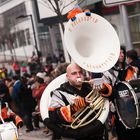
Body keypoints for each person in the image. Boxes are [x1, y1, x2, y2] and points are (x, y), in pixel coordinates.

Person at [46, 63, 112, 140]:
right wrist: (79, 104)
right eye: (74, 73)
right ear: (67, 77)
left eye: (80, 72)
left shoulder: (91, 87)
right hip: (75, 135)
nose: (78, 75)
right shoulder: (59, 93)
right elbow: (53, 116)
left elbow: (112, 95)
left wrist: (102, 87)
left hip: (98, 132)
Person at [103, 46, 140, 140]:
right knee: (123, 132)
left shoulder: (132, 69)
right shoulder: (108, 73)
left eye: (123, 52)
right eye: (119, 53)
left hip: (134, 105)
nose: (122, 55)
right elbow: (107, 93)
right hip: (119, 109)